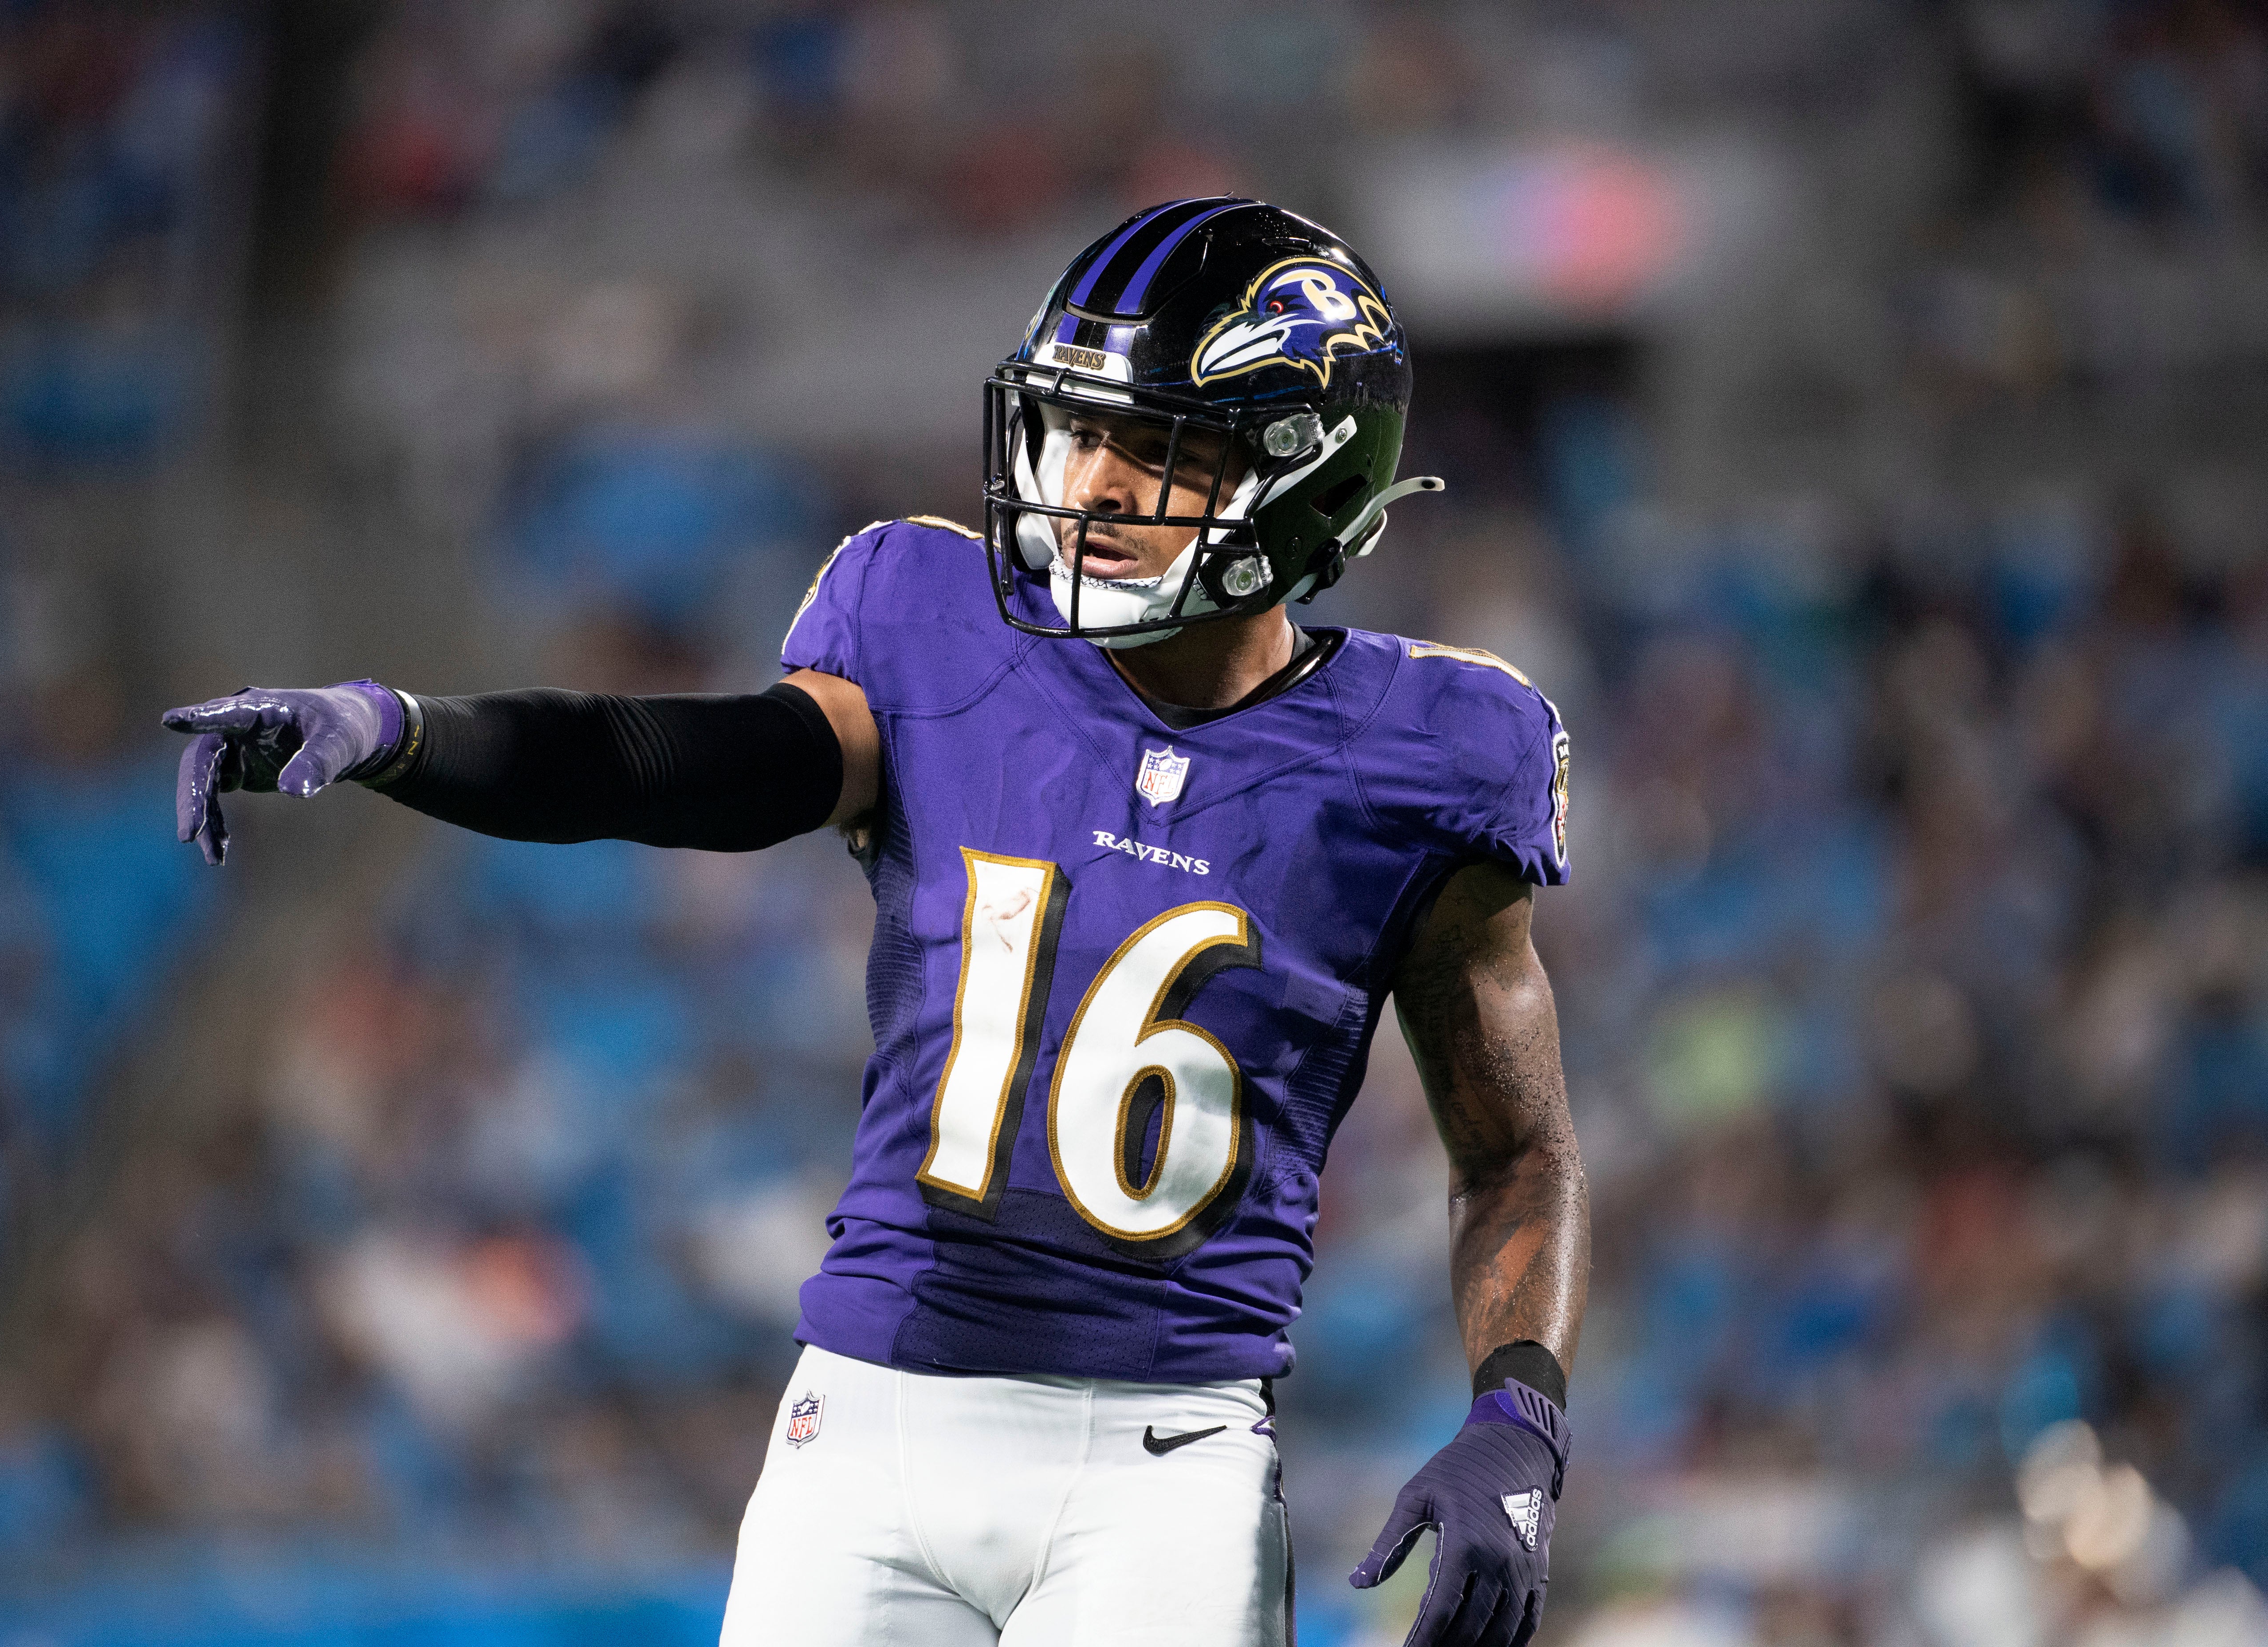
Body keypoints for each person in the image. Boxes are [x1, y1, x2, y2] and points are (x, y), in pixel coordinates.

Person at [164, 198, 1588, 1647]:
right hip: (865, 1429)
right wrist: (406, 730)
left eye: (1159, 449)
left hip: (1166, 1467)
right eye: (1078, 428)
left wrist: (1518, 1421)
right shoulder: (933, 624)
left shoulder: (1433, 754)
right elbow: (674, 764)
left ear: (1303, 483)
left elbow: (1516, 1148)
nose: (1089, 482)